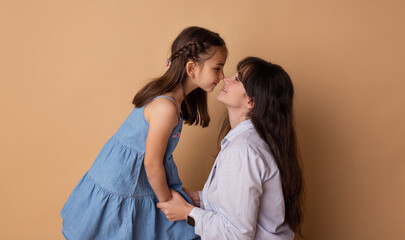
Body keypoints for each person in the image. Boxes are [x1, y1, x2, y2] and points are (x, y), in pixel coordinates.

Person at [60, 26, 227, 240]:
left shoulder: (171, 101)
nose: (222, 76)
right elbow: (152, 163)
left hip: (137, 181)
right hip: (126, 182)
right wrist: (168, 203)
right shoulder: (165, 108)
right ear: (192, 68)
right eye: (217, 68)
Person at [157, 57, 304, 240]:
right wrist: (197, 198)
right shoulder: (246, 143)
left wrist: (188, 212)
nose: (226, 79)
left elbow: (236, 235)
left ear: (251, 101)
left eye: (238, 79)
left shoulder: (243, 151)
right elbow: (236, 201)